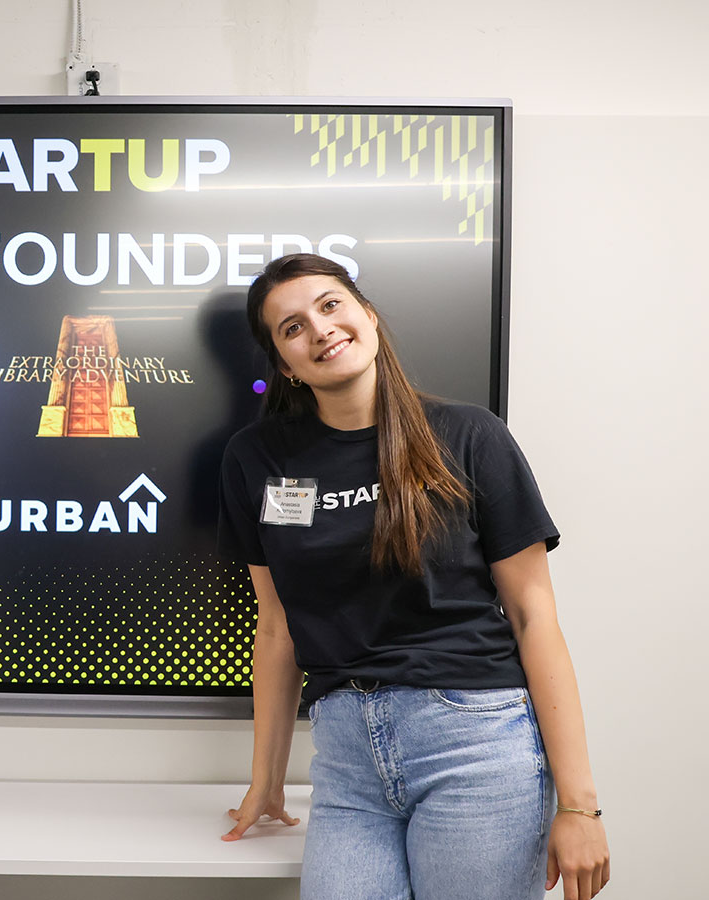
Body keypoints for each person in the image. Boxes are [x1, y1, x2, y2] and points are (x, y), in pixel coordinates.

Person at [216, 254, 610, 900]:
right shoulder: (255, 460)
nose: (318, 329)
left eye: (330, 304)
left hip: (476, 745)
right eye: (291, 328)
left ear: (366, 316)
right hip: (346, 763)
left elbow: (535, 617)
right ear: (285, 366)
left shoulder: (469, 436)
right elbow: (277, 629)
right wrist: (268, 778)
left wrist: (580, 804)